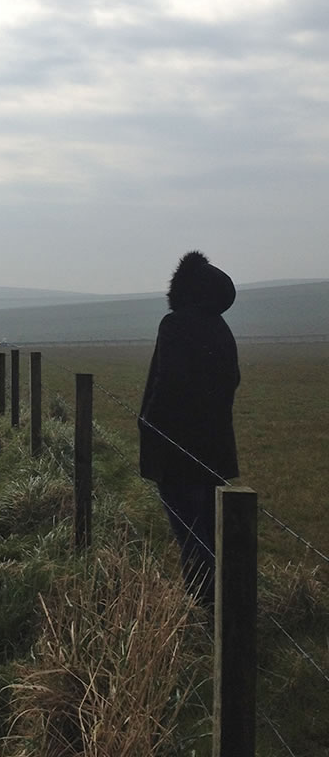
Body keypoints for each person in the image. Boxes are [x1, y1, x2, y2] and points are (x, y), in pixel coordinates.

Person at [138, 250, 241, 610]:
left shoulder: (175, 325)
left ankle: (203, 607)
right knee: (208, 533)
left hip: (175, 453)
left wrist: (148, 425)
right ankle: (223, 605)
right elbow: (231, 382)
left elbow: (165, 386)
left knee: (190, 536)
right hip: (214, 452)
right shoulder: (220, 328)